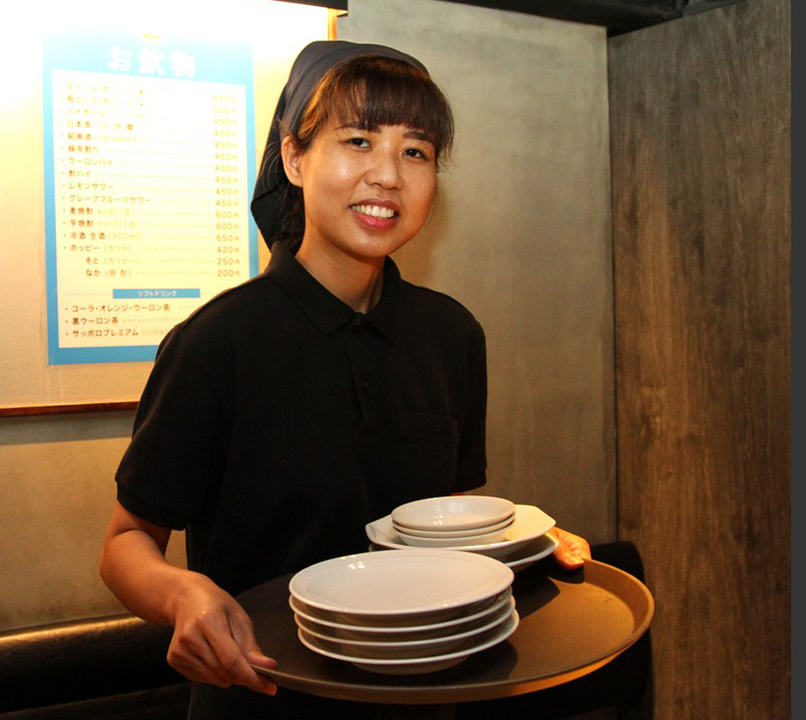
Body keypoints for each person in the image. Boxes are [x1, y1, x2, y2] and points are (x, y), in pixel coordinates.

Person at [99, 40, 592, 719]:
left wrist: (526, 548)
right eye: (358, 140)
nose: (388, 175)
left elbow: (434, 526)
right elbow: (126, 544)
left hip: (424, 699)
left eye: (415, 152)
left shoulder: (452, 336)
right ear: (294, 158)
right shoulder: (218, 343)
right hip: (264, 695)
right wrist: (184, 595)